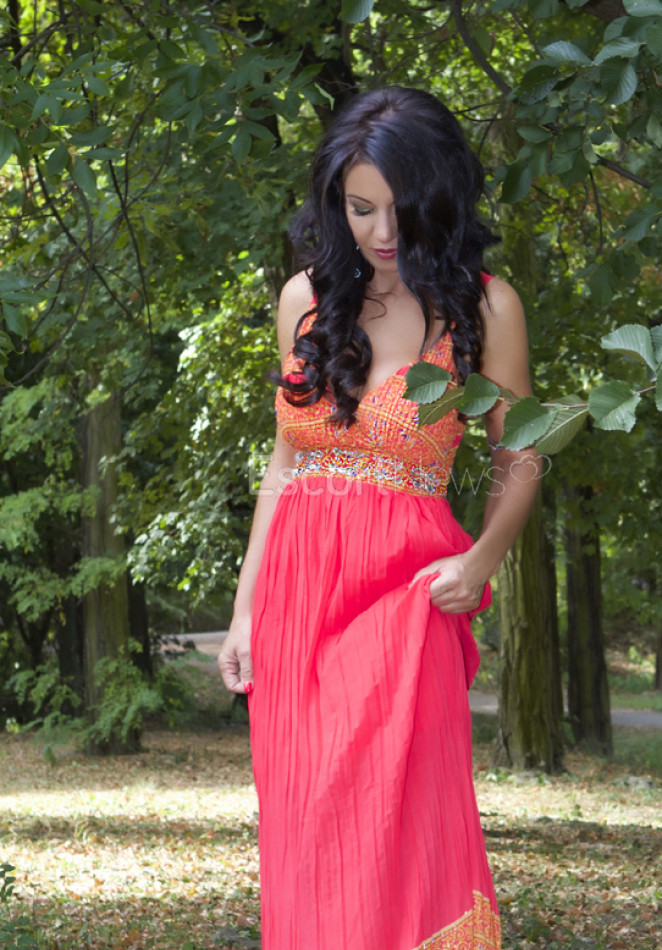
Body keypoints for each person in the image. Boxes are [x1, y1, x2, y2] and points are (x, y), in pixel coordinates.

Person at [217, 86, 541, 950]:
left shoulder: (486, 307)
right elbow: (287, 460)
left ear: (442, 194)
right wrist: (246, 611)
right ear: (336, 202)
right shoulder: (305, 298)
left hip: (408, 600)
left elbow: (521, 457)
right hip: (296, 606)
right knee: (308, 837)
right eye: (361, 209)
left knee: (403, 835)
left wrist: (481, 560)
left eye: (402, 208)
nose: (382, 231)